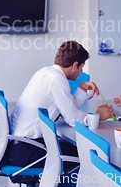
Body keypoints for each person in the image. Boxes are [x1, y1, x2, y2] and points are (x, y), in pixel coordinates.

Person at [6, 40, 114, 169]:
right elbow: (73, 119)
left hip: (18, 145)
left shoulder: (46, 72)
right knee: (89, 155)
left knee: (76, 148)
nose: (81, 71)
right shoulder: (57, 79)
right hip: (26, 150)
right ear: (74, 65)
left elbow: (67, 109)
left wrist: (81, 89)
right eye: (81, 67)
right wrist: (97, 115)